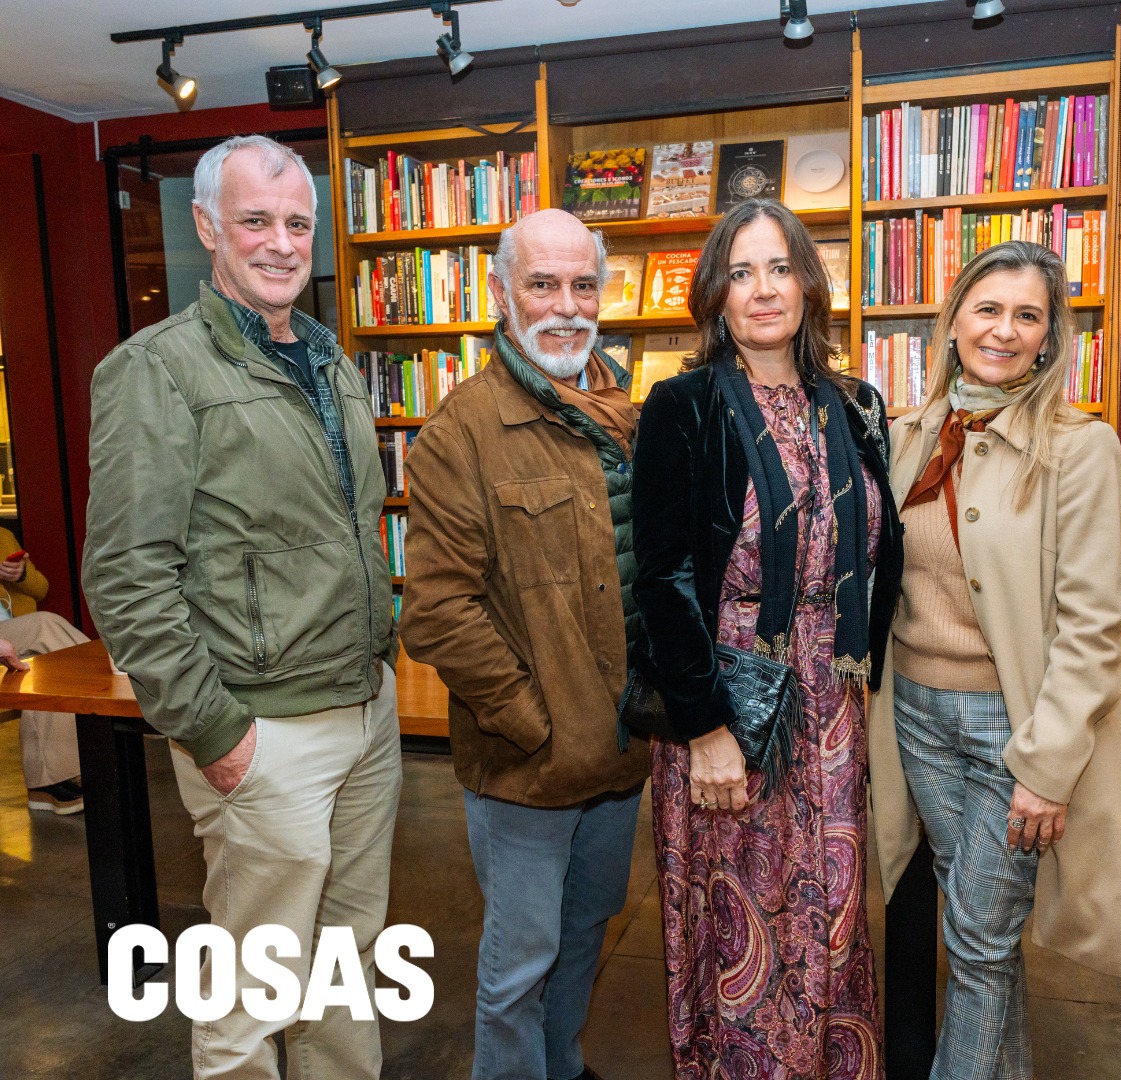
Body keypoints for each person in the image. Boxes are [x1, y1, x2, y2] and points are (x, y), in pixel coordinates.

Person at [83, 134, 401, 1080]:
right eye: (255, 220)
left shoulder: (330, 360)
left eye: (297, 223)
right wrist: (213, 729)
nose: (280, 242)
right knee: (251, 996)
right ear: (207, 227)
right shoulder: (157, 370)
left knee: (345, 969)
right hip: (262, 733)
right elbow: (127, 574)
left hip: (364, 712)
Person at [868, 240, 1121, 1080]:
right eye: (988, 309)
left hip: (1014, 727)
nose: (1004, 331)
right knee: (980, 935)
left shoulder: (1081, 448)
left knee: (975, 938)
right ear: (954, 318)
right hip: (916, 719)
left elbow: (1092, 623)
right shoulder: (909, 433)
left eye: (1027, 316)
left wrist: (1044, 767)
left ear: (1049, 337)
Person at [630, 198, 903, 1079]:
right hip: (732, 705)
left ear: (808, 284)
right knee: (743, 918)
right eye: (740, 272)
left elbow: (882, 551)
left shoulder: (856, 407)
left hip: (834, 706)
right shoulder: (682, 407)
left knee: (833, 909)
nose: (762, 290)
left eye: (780, 267)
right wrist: (705, 727)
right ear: (713, 294)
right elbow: (664, 581)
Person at [400, 208, 648, 1080]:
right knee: (517, 967)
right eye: (543, 284)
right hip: (526, 768)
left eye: (584, 285)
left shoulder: (621, 410)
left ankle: (562, 1065)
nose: (566, 306)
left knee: (585, 937)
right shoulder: (460, 433)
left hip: (619, 760)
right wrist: (533, 721)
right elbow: (436, 611)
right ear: (501, 293)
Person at [0, 529, 87, 813]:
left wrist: (22, 574)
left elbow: (41, 589)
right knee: (47, 626)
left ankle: (47, 782)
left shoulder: (2, 536)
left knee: (54, 657)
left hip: (15, 632)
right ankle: (127, 689)